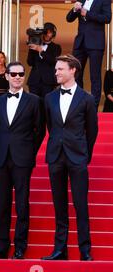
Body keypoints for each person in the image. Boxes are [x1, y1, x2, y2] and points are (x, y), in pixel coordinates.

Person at [0, 61, 45, 260]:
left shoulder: (35, 101)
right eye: (14, 74)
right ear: (7, 76)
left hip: (23, 158)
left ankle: (20, 247)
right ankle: (1, 248)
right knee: (2, 204)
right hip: (2, 158)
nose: (18, 77)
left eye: (21, 74)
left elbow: (40, 130)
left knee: (21, 205)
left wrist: (29, 151)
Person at [42, 54, 98, 261]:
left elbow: (92, 131)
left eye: (60, 69)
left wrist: (84, 154)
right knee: (59, 205)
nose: (56, 72)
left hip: (78, 157)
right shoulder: (49, 98)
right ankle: (60, 250)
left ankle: (85, 250)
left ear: (72, 70)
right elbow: (51, 127)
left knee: (81, 204)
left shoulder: (87, 99)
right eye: (56, 69)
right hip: (55, 156)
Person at [66, 0, 112, 109]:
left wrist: (88, 14)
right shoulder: (81, 0)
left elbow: (107, 18)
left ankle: (93, 107)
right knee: (75, 73)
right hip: (80, 43)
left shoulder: (104, 1)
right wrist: (74, 9)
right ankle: (78, 103)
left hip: (95, 43)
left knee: (94, 76)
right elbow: (69, 19)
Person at [26, 22, 62, 100]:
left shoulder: (56, 47)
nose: (47, 34)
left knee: (47, 104)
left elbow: (54, 61)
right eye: (46, 32)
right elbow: (29, 62)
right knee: (34, 105)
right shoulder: (35, 44)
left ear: (53, 34)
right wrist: (32, 48)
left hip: (48, 81)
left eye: (50, 32)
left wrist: (41, 51)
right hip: (34, 80)